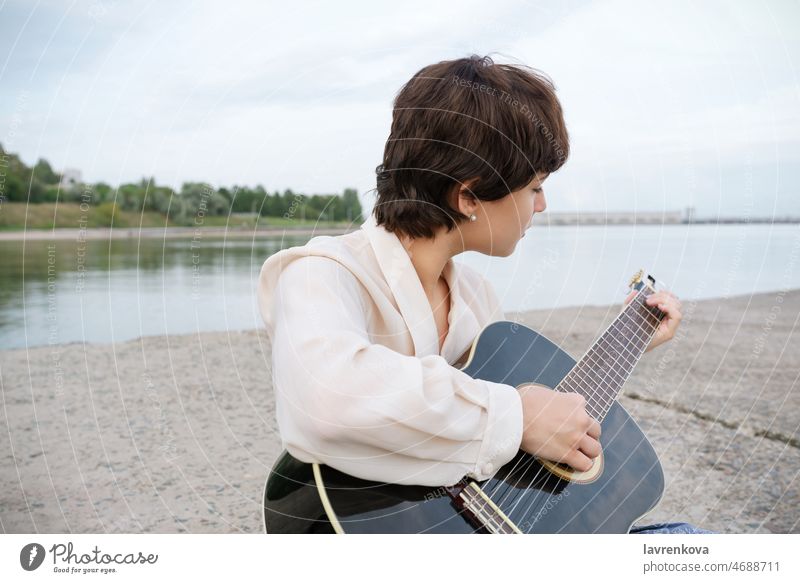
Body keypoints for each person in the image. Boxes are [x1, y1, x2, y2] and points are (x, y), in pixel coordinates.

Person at [257, 54, 711, 534]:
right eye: (534, 187)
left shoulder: (476, 298)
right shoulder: (321, 274)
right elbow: (327, 400)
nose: (543, 204)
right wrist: (516, 414)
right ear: (469, 196)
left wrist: (630, 340)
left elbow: (526, 426)